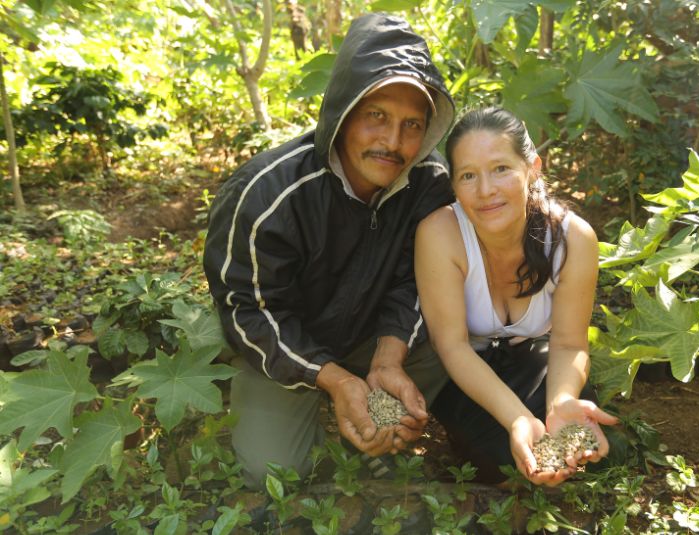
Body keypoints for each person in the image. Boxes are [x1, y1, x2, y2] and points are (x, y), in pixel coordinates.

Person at [203, 13, 455, 489]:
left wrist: (387, 360)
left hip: (372, 338)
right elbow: (250, 312)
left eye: (412, 125)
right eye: (375, 116)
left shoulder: (430, 184)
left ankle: (367, 432)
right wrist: (335, 380)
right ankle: (327, 416)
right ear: (343, 110)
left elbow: (423, 281)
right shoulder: (267, 194)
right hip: (287, 350)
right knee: (273, 470)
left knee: (459, 337)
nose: (393, 142)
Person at [415, 107, 618, 486]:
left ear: (532, 168)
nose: (486, 190)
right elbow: (452, 346)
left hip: (533, 361)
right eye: (469, 176)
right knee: (498, 461)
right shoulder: (440, 233)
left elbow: (569, 343)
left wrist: (560, 403)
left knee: (578, 440)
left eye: (501, 169)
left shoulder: (573, 238)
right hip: (464, 371)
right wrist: (519, 419)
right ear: (454, 184)